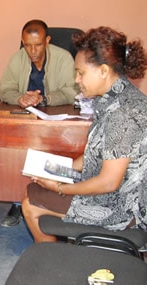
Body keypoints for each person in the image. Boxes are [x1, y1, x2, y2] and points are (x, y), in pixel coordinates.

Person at [22, 26, 147, 242]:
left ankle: (52, 266)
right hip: (111, 191)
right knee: (37, 186)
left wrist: (61, 187)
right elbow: (94, 152)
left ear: (104, 71)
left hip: (122, 206)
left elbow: (109, 183)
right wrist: (61, 169)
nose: (77, 80)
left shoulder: (124, 113)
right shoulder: (112, 99)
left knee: (30, 204)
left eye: (80, 73)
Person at [0, 19, 79, 227]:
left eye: (38, 44)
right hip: (27, 119)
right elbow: (4, 90)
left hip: (57, 121)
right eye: (27, 45)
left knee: (50, 151)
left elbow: (73, 91)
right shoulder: (17, 59)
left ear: (48, 40)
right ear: (22, 42)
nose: (33, 51)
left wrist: (44, 99)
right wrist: (20, 99)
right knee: (13, 150)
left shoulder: (64, 58)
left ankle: (51, 200)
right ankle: (17, 202)